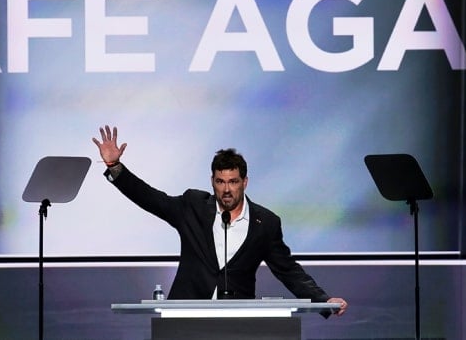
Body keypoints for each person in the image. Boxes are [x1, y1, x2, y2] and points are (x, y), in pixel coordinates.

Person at [92, 125, 348, 316]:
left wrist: (323, 301)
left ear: (244, 182)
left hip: (237, 320)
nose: (227, 189)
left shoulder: (266, 223)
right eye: (220, 181)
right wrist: (116, 166)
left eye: (233, 182)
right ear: (212, 182)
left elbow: (288, 270)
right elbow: (150, 199)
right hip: (186, 316)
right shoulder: (193, 206)